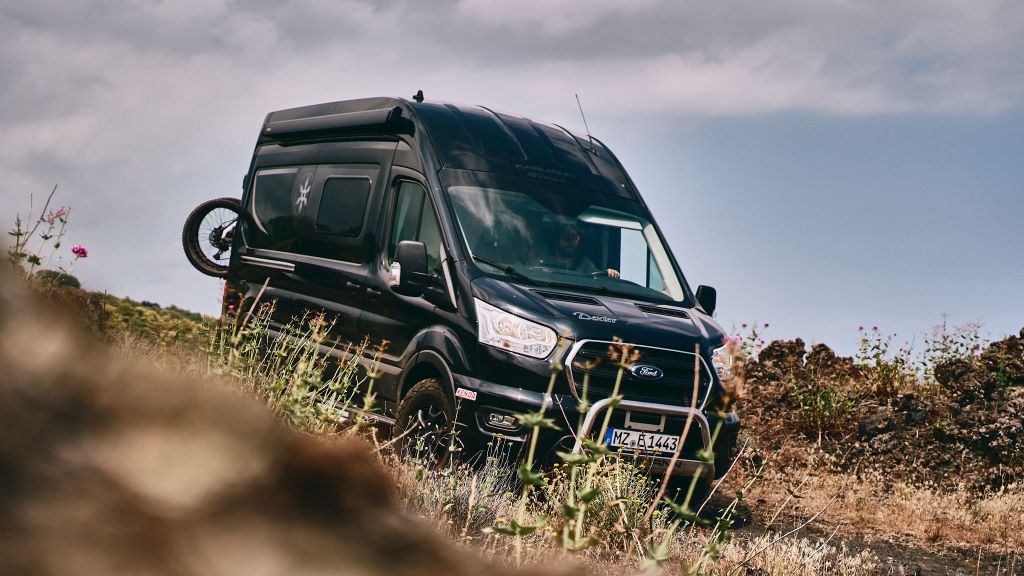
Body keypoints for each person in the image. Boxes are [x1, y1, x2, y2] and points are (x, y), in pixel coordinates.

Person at [536, 224, 620, 278]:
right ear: (556, 240)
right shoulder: (543, 260)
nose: (571, 241)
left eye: (575, 238)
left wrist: (609, 273)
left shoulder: (584, 264)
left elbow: (597, 277)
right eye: (566, 237)